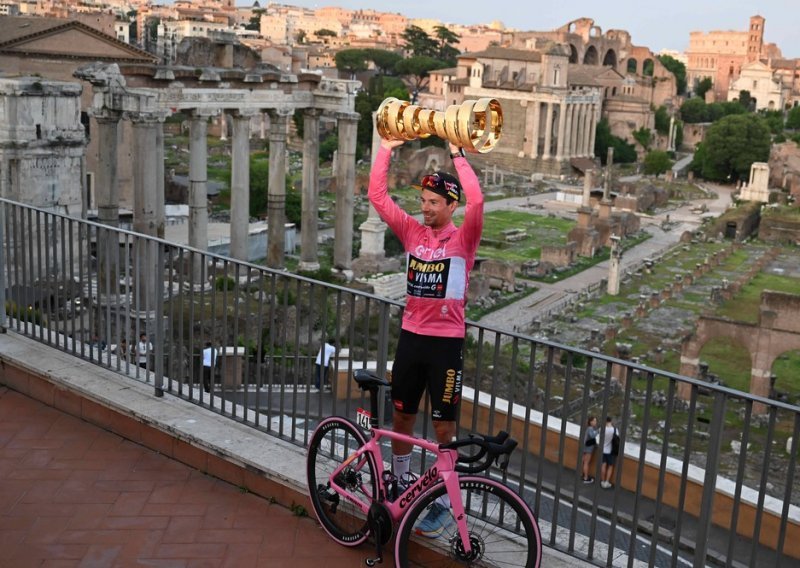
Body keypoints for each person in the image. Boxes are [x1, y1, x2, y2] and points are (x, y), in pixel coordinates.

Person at [368, 136, 484, 538]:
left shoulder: (463, 238)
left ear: (451, 206)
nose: (426, 207)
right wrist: (386, 146)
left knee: (443, 428)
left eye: (434, 202)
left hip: (446, 344)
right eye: (423, 201)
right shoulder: (412, 232)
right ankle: (400, 483)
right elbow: (377, 196)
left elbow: (479, 203)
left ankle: (439, 498)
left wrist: (457, 156)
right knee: (402, 415)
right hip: (411, 338)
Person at [601, 416, 618, 489]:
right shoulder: (614, 430)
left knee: (603, 465)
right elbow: (617, 439)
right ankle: (607, 482)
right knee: (610, 466)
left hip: (603, 450)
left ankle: (602, 481)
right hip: (611, 451)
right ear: (611, 421)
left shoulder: (602, 429)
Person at [581, 416, 599, 484]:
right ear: (590, 422)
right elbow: (592, 436)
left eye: (595, 421)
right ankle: (586, 478)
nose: (595, 422)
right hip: (588, 448)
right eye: (594, 421)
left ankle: (583, 475)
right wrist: (598, 431)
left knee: (584, 462)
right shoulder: (590, 428)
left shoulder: (588, 428)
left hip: (585, 447)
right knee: (586, 463)